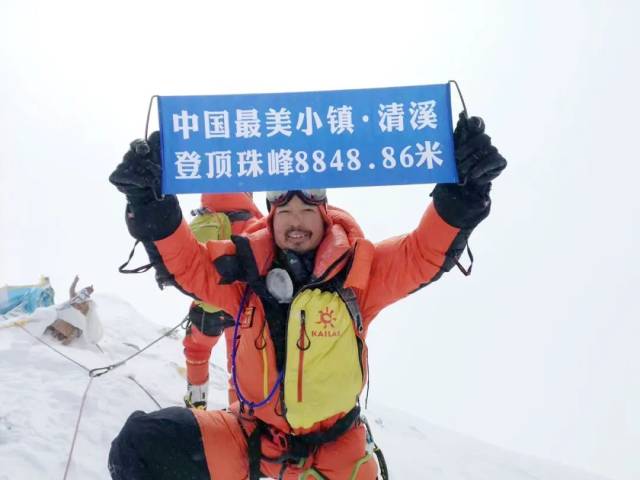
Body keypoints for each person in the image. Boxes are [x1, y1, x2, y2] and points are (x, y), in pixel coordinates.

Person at [107, 114, 506, 479]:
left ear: (325, 214)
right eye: (285, 212)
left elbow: (420, 254)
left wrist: (464, 193)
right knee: (140, 446)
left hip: (336, 451)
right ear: (271, 218)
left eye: (306, 211)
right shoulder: (244, 271)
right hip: (253, 439)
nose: (296, 222)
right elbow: (189, 264)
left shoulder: (359, 273)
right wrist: (149, 203)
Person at [183, 193, 263, 409]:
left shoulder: (205, 218)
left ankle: (196, 401)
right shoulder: (253, 223)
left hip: (206, 306)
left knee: (197, 349)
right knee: (238, 364)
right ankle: (240, 414)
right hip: (239, 307)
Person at [42, 275, 102, 345]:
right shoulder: (74, 297)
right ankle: (51, 331)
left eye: (85, 294)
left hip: (72, 326)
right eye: (83, 292)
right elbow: (71, 290)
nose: (81, 297)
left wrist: (80, 308)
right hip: (63, 320)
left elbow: (83, 317)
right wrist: (75, 282)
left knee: (72, 328)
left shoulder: (86, 304)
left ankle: (65, 338)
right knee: (55, 318)